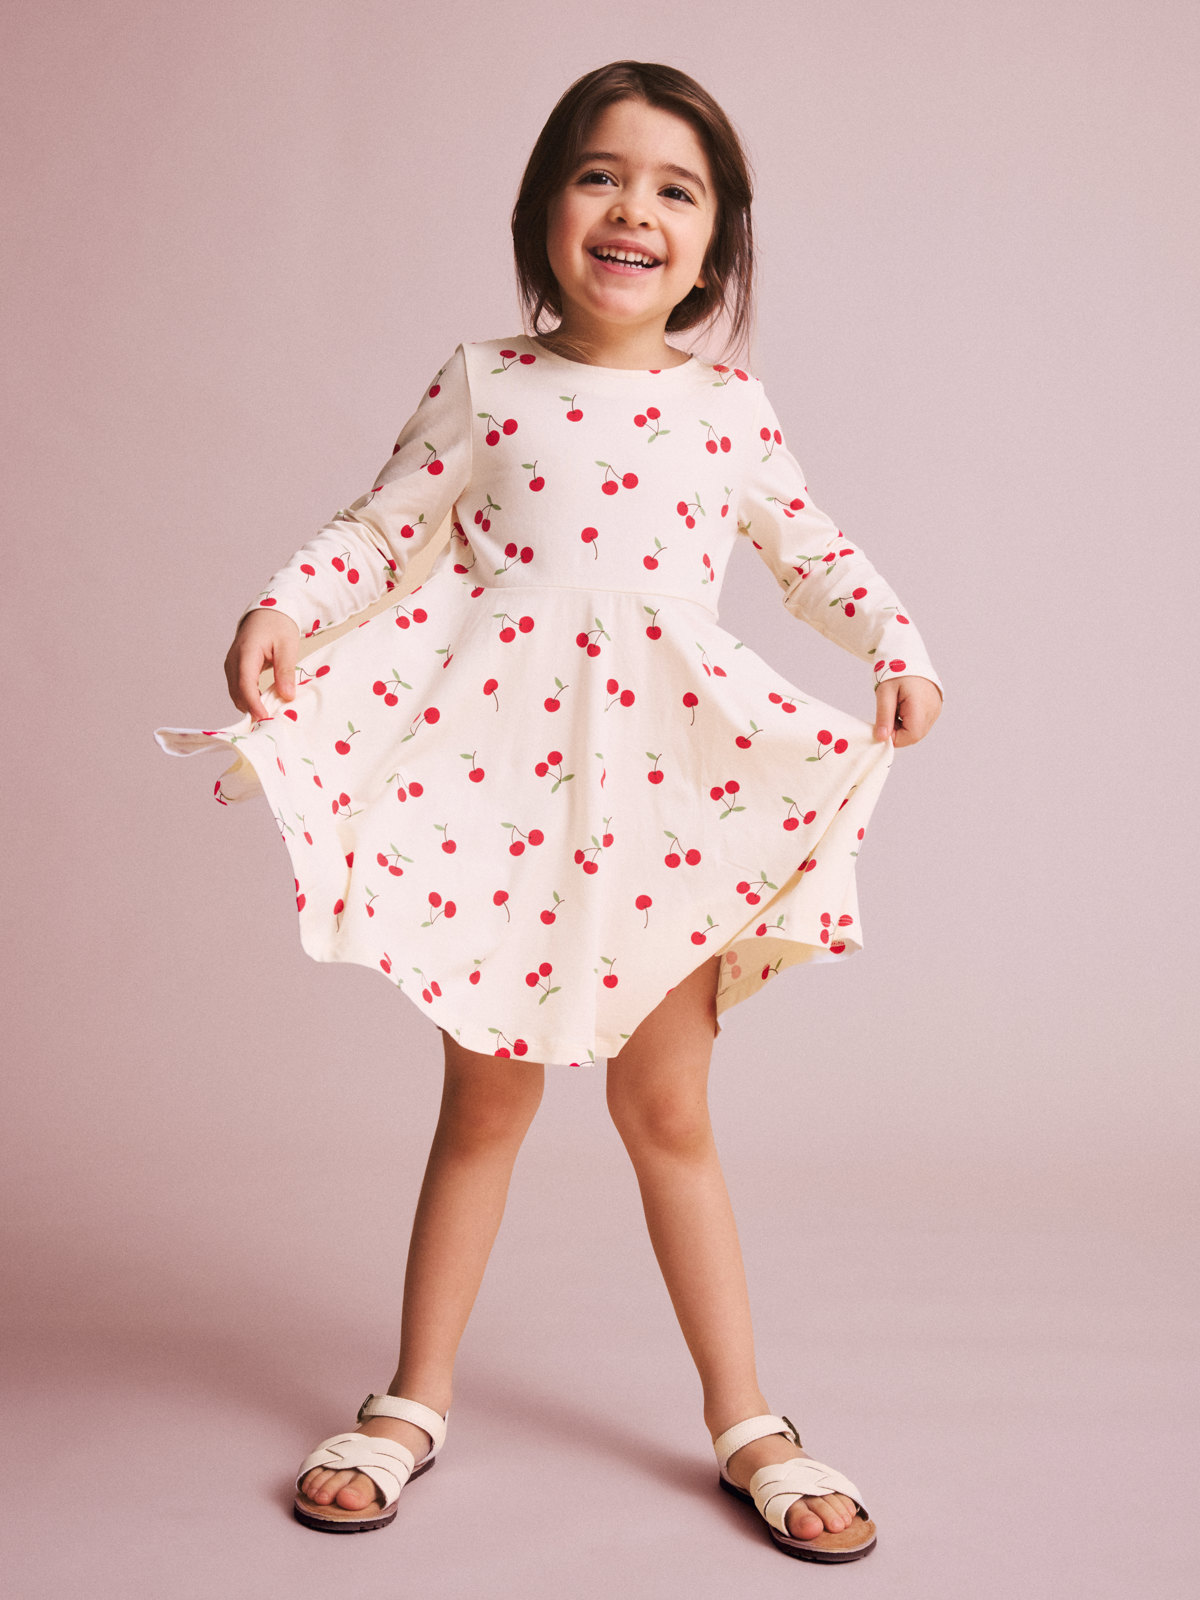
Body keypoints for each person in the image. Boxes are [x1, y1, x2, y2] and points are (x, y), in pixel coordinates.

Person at [155, 60, 943, 1562]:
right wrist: (283, 605)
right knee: (485, 1105)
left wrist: (898, 647)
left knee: (670, 1112)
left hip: (663, 804)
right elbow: (379, 528)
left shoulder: (725, 408)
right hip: (504, 794)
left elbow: (810, 550)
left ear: (713, 249)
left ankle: (747, 1418)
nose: (634, 208)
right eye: (600, 174)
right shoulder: (487, 384)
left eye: (674, 189)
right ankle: (412, 1398)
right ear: (542, 213)